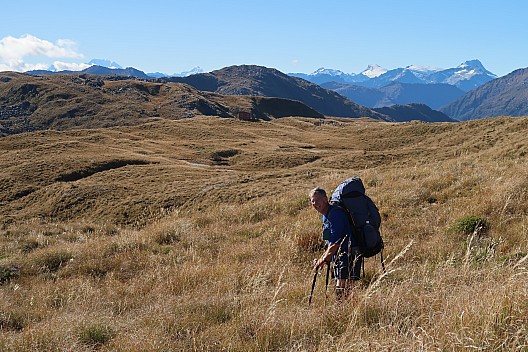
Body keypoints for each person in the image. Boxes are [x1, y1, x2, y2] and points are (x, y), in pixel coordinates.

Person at [309, 187, 362, 301]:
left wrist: (321, 261)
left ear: (325, 199)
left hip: (349, 253)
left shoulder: (335, 214)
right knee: (343, 291)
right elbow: (330, 241)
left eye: (317, 200)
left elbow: (335, 244)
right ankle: (347, 313)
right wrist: (325, 258)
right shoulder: (326, 215)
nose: (315, 203)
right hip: (339, 255)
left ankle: (347, 314)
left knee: (343, 290)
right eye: (312, 201)